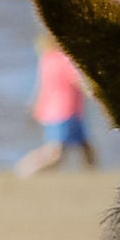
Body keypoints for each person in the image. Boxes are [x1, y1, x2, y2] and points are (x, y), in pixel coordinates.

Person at [15, 39, 95, 176]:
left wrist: (36, 107)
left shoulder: (47, 59)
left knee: (85, 147)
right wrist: (94, 93)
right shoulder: (64, 58)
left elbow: (41, 87)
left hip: (63, 111)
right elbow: (76, 79)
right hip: (64, 111)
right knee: (55, 154)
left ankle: (93, 175)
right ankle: (26, 169)